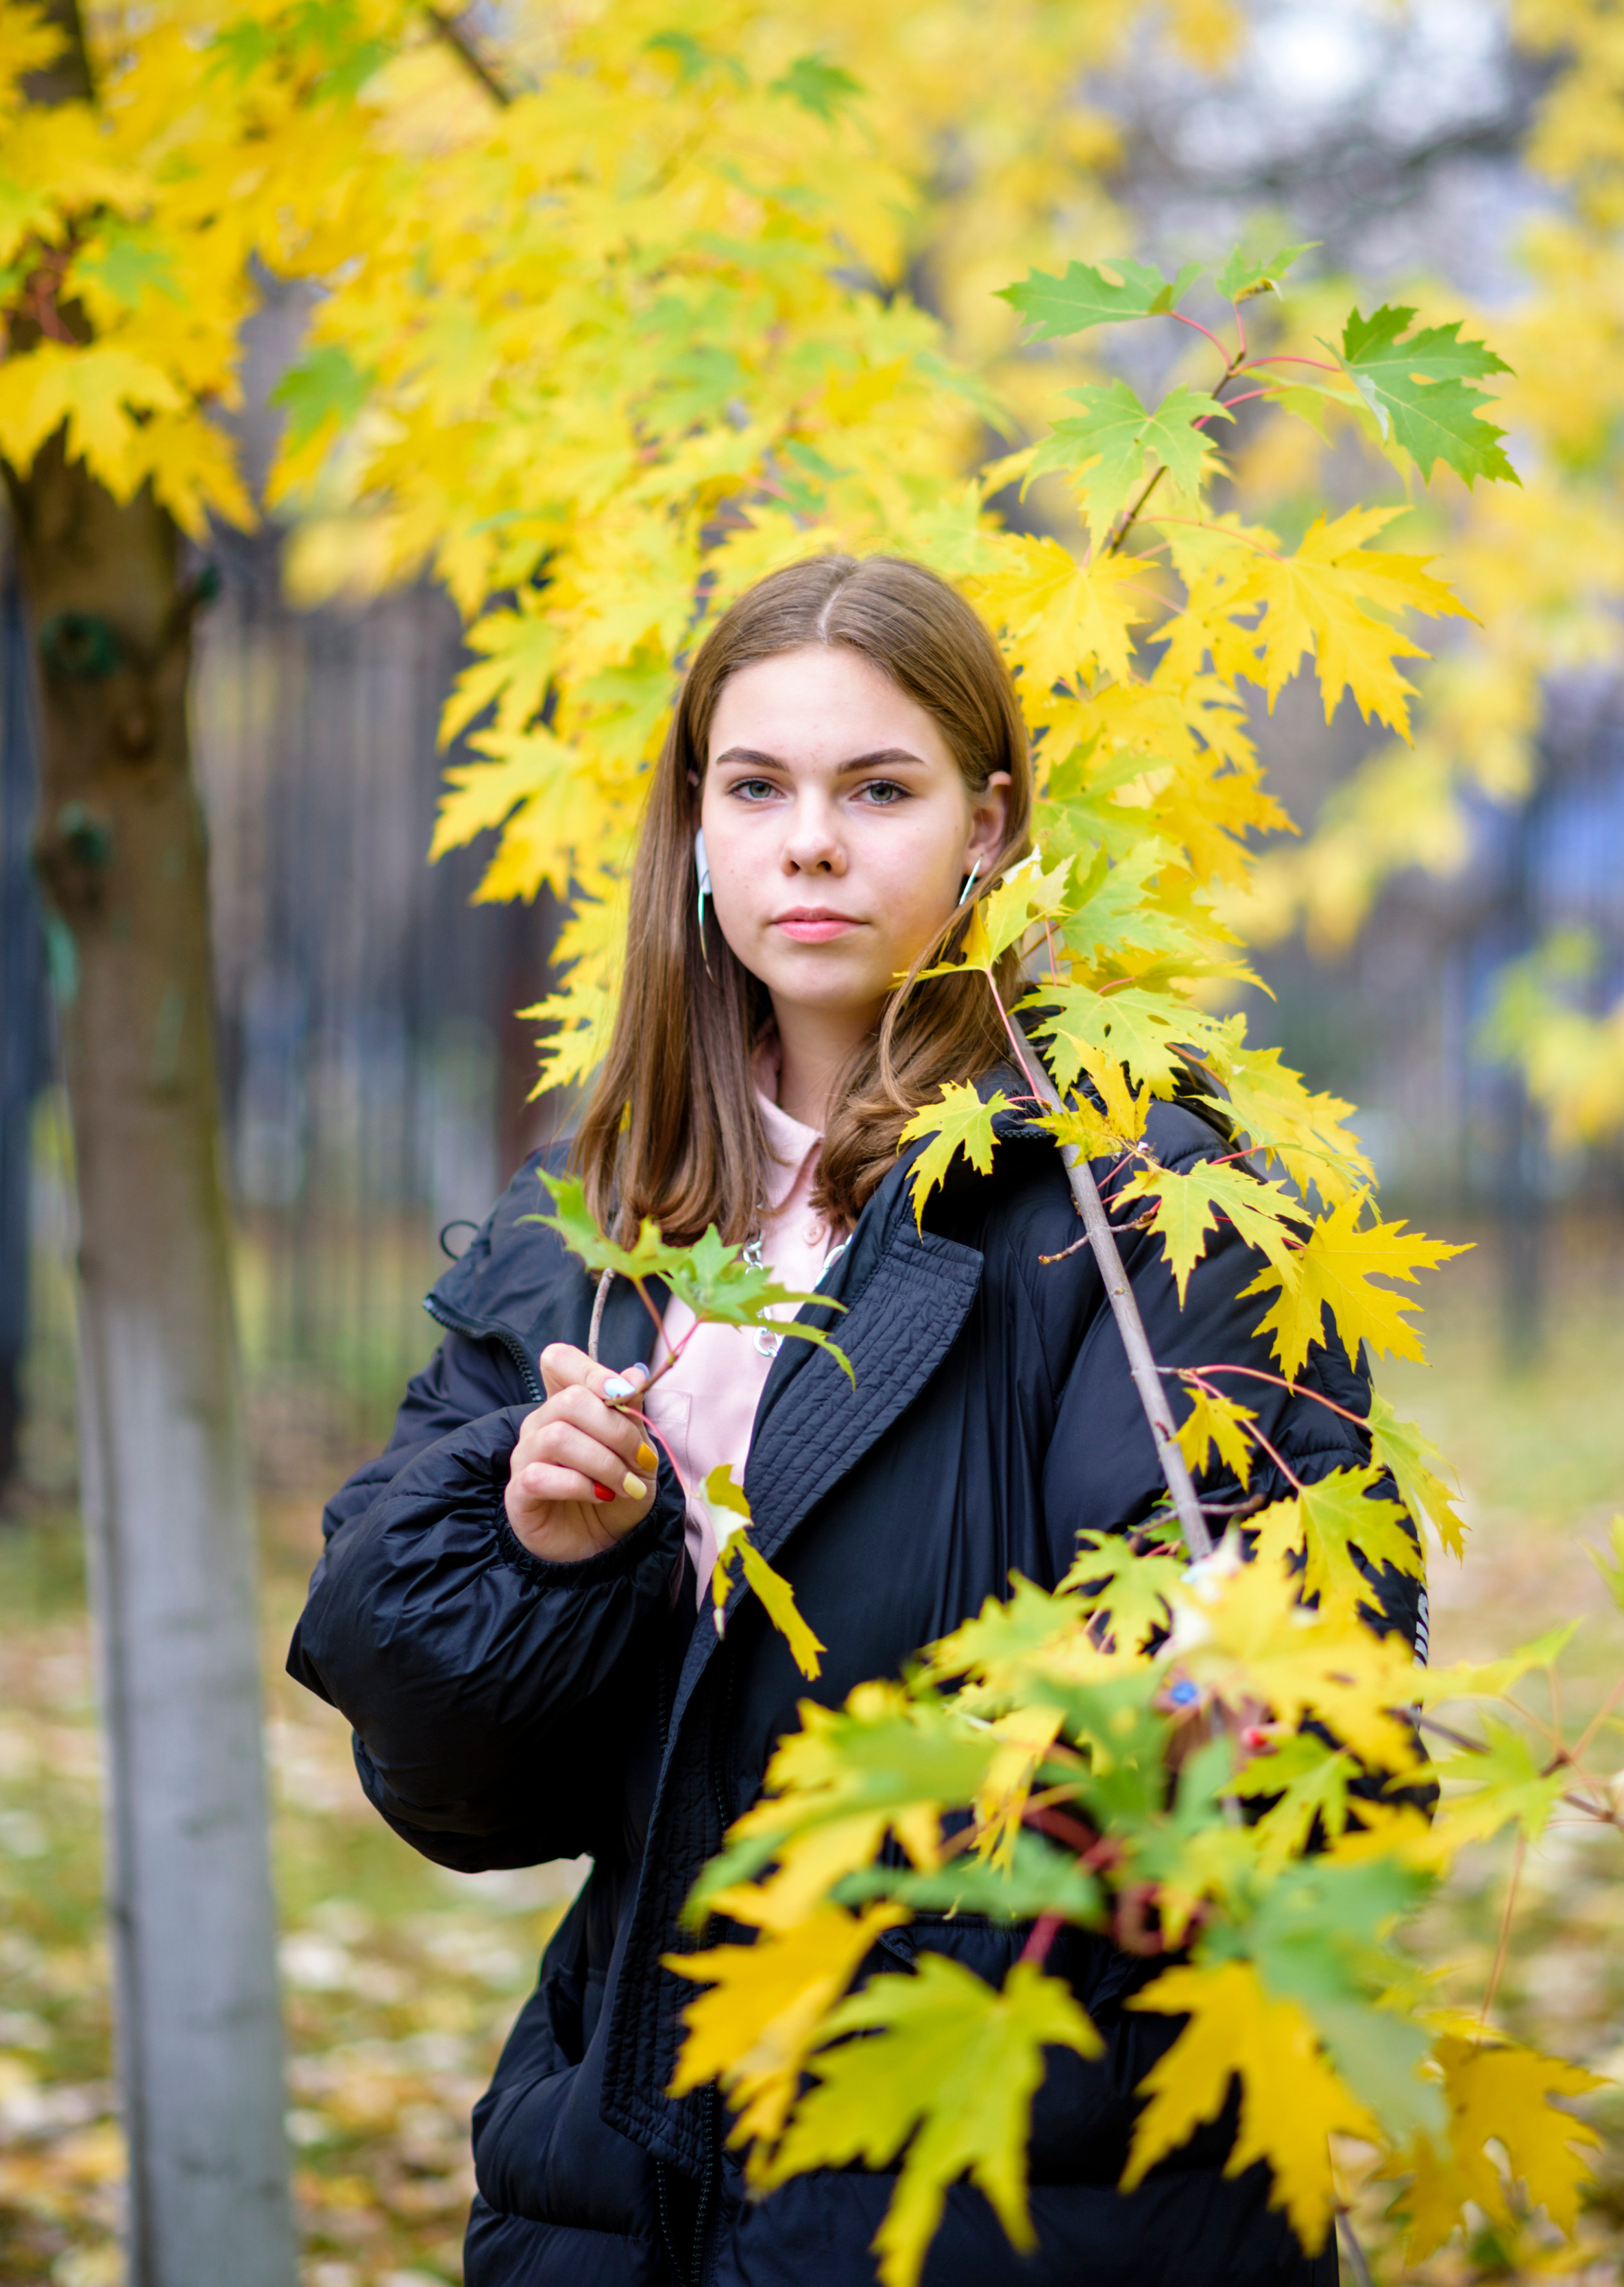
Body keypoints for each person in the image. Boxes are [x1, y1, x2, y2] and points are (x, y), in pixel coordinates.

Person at [288, 551, 1417, 2287]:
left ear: (984, 824)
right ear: (698, 825)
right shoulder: (595, 1234)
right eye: (758, 787)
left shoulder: (1136, 1215)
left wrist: (1208, 1709)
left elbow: (1282, 1724)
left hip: (1027, 2181)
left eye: (875, 789)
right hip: (620, 2171)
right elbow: (452, 1794)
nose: (808, 841)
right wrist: (543, 1557)